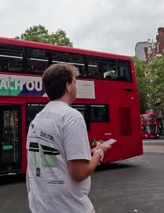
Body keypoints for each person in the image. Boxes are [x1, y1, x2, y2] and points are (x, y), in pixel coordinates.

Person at [26, 63, 111, 213]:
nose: (76, 87)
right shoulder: (72, 117)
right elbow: (79, 173)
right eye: (75, 82)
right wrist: (100, 152)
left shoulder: (37, 119)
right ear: (68, 86)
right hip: (70, 207)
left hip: (40, 207)